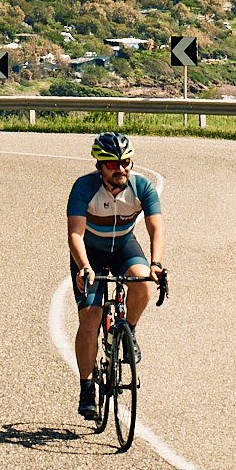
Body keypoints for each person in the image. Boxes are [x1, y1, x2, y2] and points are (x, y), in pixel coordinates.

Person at [67, 131, 164, 421]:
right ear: (99, 165)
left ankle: (128, 331)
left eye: (125, 163)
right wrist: (84, 266)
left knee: (143, 281)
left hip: (123, 247)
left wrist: (156, 264)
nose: (120, 169)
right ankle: (86, 388)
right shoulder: (84, 187)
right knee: (90, 319)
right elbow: (75, 234)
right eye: (112, 164)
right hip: (90, 255)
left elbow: (156, 228)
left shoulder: (141, 186)